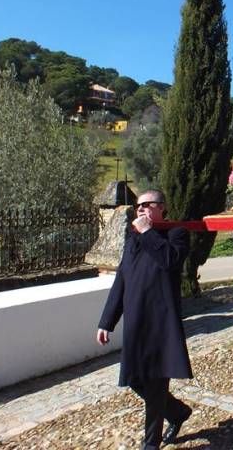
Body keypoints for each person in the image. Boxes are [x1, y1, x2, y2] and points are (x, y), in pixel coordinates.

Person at [97, 190, 193, 449]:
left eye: (146, 205)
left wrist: (149, 233)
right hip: (136, 323)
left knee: (155, 385)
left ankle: (150, 444)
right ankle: (177, 412)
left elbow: (169, 261)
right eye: (137, 206)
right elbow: (122, 280)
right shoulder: (133, 239)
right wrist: (107, 321)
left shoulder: (177, 234)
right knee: (134, 379)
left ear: (161, 207)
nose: (139, 210)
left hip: (161, 325)